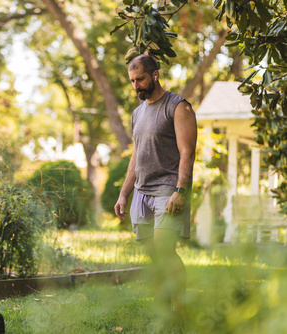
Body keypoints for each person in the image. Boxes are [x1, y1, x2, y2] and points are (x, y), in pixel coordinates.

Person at [114, 55, 197, 318]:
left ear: (155, 75)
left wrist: (181, 190)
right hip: (141, 192)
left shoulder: (178, 106)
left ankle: (182, 310)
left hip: (167, 190)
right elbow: (136, 157)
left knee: (164, 252)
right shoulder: (137, 113)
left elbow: (188, 152)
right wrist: (123, 194)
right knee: (156, 257)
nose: (136, 85)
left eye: (140, 79)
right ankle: (163, 312)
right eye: (132, 81)